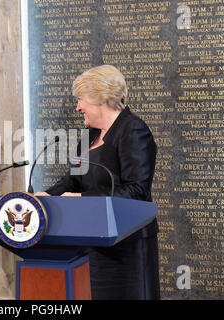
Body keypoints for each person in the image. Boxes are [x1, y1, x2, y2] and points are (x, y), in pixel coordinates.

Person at [36, 65, 159, 299]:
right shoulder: (89, 135)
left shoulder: (133, 130)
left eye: (81, 99)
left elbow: (137, 191)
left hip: (127, 247)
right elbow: (73, 180)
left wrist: (83, 200)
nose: (78, 107)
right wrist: (45, 197)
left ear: (100, 98)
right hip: (90, 243)